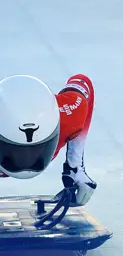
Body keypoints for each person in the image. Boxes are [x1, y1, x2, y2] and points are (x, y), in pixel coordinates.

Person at [0, 74, 96, 206]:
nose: (27, 162)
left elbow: (83, 82)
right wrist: (75, 164)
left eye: (37, 149)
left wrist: (75, 165)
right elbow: (82, 82)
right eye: (15, 152)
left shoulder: (70, 114)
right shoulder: (71, 118)